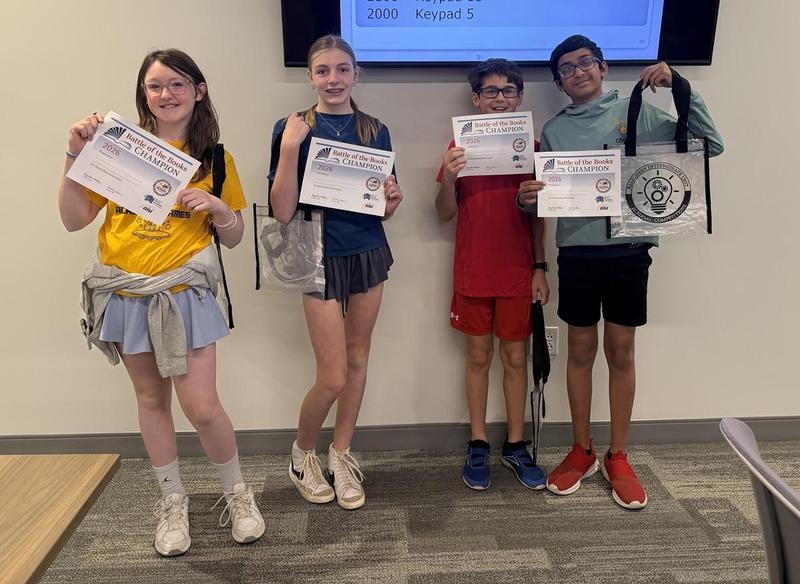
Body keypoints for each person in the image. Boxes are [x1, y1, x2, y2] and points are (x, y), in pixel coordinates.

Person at [57, 49, 265, 556]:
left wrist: (218, 208)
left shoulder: (215, 159)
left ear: (199, 90)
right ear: (143, 95)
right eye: (154, 86)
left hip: (185, 294)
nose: (165, 94)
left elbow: (235, 238)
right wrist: (72, 154)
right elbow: (72, 219)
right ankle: (172, 500)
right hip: (126, 294)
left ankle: (237, 493)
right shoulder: (118, 149)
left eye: (176, 84)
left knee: (203, 407)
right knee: (151, 400)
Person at [518, 35, 723, 509]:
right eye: (567, 69)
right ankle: (581, 449)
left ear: (603, 67)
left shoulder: (639, 111)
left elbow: (710, 145)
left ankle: (619, 454)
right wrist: (531, 203)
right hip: (577, 256)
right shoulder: (553, 131)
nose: (578, 72)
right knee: (580, 352)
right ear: (558, 82)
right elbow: (543, 201)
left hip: (629, 252)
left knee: (622, 351)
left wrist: (680, 88)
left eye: (585, 62)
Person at [268, 35, 403, 510]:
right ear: (310, 77)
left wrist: (391, 201)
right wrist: (288, 149)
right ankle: (301, 454)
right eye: (323, 70)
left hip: (366, 250)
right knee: (332, 374)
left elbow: (382, 208)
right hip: (314, 254)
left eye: (342, 69)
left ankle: (341, 453)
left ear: (355, 74)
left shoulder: (375, 130)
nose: (333, 79)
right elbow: (281, 212)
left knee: (358, 358)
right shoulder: (291, 127)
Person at [435, 58, 550, 491]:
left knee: (515, 358)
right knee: (478, 357)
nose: (499, 99)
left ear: (520, 98)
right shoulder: (457, 148)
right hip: (473, 271)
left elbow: (541, 218)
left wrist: (540, 267)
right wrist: (448, 177)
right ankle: (478, 441)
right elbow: (443, 214)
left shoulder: (534, 148)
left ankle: (516, 444)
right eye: (490, 92)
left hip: (519, 272)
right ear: (476, 100)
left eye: (507, 91)